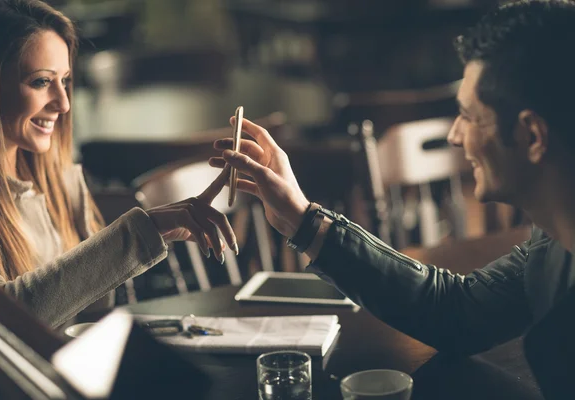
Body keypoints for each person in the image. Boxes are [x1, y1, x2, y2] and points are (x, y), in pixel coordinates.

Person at [210, 0, 575, 393]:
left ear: (531, 136)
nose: (455, 136)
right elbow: (458, 313)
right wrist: (303, 220)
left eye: (469, 116)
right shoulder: (552, 243)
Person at [0, 0, 237, 329]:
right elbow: (6, 320)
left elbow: (91, 316)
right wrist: (144, 232)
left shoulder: (61, 184)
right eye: (41, 81)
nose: (64, 103)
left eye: (65, 81)